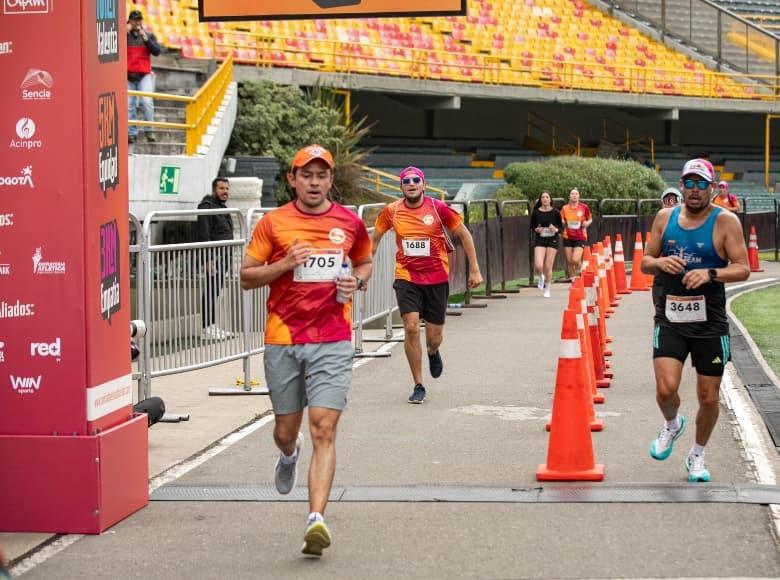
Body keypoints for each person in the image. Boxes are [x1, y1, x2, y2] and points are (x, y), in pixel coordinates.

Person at [239, 144, 372, 557]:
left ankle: (316, 519)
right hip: (284, 338)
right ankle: (288, 453)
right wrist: (284, 264)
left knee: (324, 428)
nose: (314, 183)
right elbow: (245, 277)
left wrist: (357, 280)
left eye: (322, 175)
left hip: (332, 337)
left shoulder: (349, 223)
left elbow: (364, 261)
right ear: (292, 179)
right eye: (306, 175)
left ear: (331, 180)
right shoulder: (273, 223)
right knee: (286, 431)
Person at [641, 158, 749, 483]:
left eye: (702, 184)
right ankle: (672, 425)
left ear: (712, 189)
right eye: (689, 182)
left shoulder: (726, 222)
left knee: (709, 397)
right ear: (682, 185)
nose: (695, 190)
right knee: (665, 390)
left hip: (710, 322)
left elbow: (742, 267)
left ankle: (697, 454)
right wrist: (660, 263)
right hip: (670, 316)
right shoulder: (665, 217)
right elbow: (645, 262)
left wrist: (711, 273)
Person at [372, 166, 482, 404]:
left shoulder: (438, 208)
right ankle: (418, 384)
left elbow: (464, 234)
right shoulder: (391, 211)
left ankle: (432, 351)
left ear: (424, 184)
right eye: (406, 181)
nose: (411, 184)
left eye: (416, 180)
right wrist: (365, 267)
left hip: (436, 278)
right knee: (411, 328)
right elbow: (375, 238)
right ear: (401, 186)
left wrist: (474, 268)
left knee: (434, 336)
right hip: (406, 277)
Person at [197, 178, 235, 340]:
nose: (225, 191)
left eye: (227, 188)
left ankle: (212, 325)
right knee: (211, 291)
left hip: (224, 256)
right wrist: (208, 259)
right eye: (221, 188)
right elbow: (203, 235)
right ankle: (206, 328)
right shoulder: (206, 207)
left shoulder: (221, 207)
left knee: (215, 291)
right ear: (214, 189)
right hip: (214, 257)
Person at [127, 9, 161, 144]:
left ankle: (149, 131)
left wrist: (146, 39)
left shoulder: (148, 35)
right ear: (129, 21)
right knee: (129, 105)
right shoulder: (123, 35)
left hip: (144, 74)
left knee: (146, 102)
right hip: (128, 74)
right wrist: (124, 33)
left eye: (139, 20)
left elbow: (157, 51)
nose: (137, 23)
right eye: (135, 20)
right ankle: (132, 133)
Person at [531, 190, 563, 298]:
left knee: (548, 266)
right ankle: (541, 277)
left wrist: (555, 229)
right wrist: (537, 229)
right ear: (540, 200)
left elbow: (561, 228)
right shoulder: (536, 212)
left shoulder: (556, 212)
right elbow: (532, 226)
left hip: (552, 240)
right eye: (543, 197)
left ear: (550, 199)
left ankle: (547, 289)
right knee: (539, 265)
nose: (545, 199)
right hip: (540, 239)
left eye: (547, 197)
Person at [560, 188, 592, 279]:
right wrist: (562, 221)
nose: (574, 195)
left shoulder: (584, 207)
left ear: (579, 196)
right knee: (570, 261)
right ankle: (574, 281)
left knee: (575, 259)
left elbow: (590, 218)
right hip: (567, 236)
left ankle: (581, 270)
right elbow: (561, 218)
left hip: (580, 236)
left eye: (576, 194)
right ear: (569, 196)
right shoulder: (564, 208)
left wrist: (587, 223)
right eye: (572, 194)